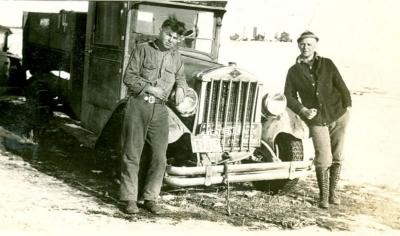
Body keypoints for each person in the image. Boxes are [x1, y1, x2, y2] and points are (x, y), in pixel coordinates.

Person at [120, 15, 188, 214]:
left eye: (175, 38)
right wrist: (151, 89)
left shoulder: (176, 57)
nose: (171, 40)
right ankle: (129, 199)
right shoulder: (143, 49)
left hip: (160, 110)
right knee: (132, 153)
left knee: (160, 157)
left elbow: (181, 77)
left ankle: (150, 198)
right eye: (169, 35)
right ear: (161, 30)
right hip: (139, 105)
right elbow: (129, 77)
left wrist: (181, 88)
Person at [284, 31, 352, 209]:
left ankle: (333, 193)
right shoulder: (293, 71)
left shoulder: (327, 64)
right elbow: (288, 96)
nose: (305, 47)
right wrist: (302, 110)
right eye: (302, 44)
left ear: (315, 46)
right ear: (298, 45)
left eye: (309, 44)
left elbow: (341, 84)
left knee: (337, 156)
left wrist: (348, 106)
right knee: (323, 158)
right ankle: (323, 196)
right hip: (316, 119)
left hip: (338, 114)